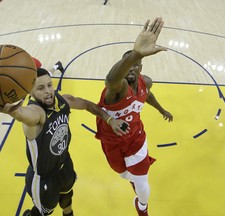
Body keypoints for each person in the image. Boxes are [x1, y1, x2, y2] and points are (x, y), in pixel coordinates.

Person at [0, 68, 128, 216]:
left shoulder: (62, 101)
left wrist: (110, 119)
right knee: (43, 212)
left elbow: (87, 104)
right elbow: (23, 114)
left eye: (49, 85)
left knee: (67, 194)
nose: (48, 91)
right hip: (44, 178)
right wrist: (10, 109)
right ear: (30, 92)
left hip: (64, 163)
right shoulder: (36, 113)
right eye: (40, 88)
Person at [95, 17, 173, 216]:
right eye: (127, 64)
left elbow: (148, 96)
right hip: (111, 141)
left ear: (141, 68)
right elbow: (110, 79)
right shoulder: (117, 88)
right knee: (123, 174)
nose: (132, 68)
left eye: (136, 64)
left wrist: (161, 110)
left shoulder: (145, 82)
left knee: (142, 184)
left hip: (136, 138)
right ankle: (135, 182)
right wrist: (135, 53)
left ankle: (142, 207)